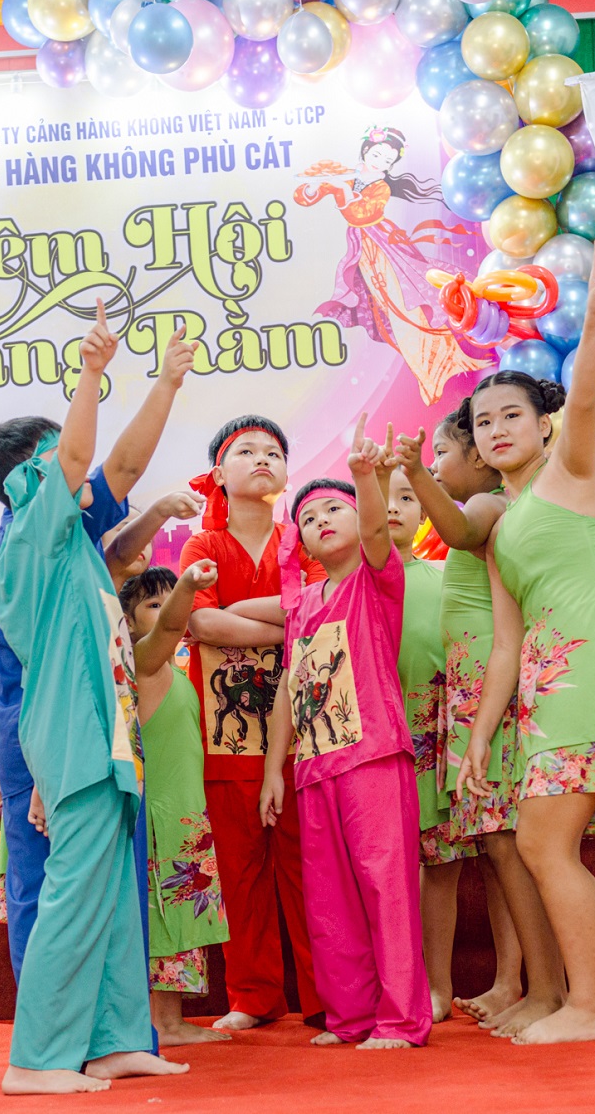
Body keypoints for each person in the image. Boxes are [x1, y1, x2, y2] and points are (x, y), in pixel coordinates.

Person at [0, 311, 197, 985]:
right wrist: (20, 768)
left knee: (104, 884)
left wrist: (167, 384)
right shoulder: (16, 553)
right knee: (49, 893)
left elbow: (124, 472)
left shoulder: (63, 532)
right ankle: (51, 1026)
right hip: (54, 743)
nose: (78, 460)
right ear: (28, 478)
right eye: (61, 452)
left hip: (84, 735)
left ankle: (104, 1024)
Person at [469, 240, 595, 1044]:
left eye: (512, 414)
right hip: (544, 694)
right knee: (555, 847)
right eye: (483, 422)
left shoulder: (569, 474)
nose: (496, 429)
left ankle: (588, 1009)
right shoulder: (502, 527)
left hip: (585, 680)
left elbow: (584, 403)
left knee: (545, 844)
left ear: (543, 426)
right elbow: (504, 646)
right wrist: (482, 735)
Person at [389, 410, 565, 1035]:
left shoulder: (486, 505)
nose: (435, 466)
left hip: (487, 691)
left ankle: (541, 986)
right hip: (471, 691)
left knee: (504, 843)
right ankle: (519, 982)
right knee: (498, 844)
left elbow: (457, 529)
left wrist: (413, 473)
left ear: (478, 459)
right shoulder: (497, 505)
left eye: (441, 454)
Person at [260, 418, 430, 1050]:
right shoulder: (301, 604)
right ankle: (350, 1017)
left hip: (373, 755)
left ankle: (401, 1019)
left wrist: (366, 477)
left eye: (334, 509)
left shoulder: (375, 576)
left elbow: (379, 534)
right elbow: (289, 686)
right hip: (314, 769)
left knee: (387, 890)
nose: (321, 521)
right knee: (328, 900)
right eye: (308, 518)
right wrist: (274, 770)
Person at [179, 416, 324, 1030]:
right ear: (219, 473)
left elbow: (322, 612)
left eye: (273, 451)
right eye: (246, 451)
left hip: (307, 731)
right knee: (239, 871)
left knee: (309, 868)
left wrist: (240, 612)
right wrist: (284, 625)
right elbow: (202, 624)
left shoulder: (305, 538)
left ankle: (325, 996)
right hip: (225, 734)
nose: (262, 458)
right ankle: (254, 996)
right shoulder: (202, 548)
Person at [121, 563, 233, 1048]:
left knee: (181, 916)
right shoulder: (143, 662)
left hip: (184, 813)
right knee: (163, 916)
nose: (169, 610)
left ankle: (169, 1020)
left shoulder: (172, 667)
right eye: (154, 603)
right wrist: (187, 586)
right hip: (160, 816)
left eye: (171, 599)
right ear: (128, 622)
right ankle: (165, 1023)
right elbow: (170, 628)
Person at [295, 126, 483, 405]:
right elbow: (304, 196)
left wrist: (341, 190)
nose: (380, 161)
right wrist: (314, 186)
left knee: (408, 305)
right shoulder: (347, 175)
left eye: (387, 159)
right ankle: (428, 373)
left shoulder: (380, 186)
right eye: (377, 154)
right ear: (366, 151)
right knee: (390, 312)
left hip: (384, 247)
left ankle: (437, 368)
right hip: (364, 250)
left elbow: (361, 214)